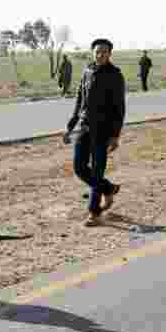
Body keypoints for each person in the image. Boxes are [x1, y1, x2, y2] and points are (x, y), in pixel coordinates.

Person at [63, 38, 126, 227]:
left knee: (97, 171)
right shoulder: (87, 71)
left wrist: (115, 136)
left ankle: (94, 212)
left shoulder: (115, 75)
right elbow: (79, 101)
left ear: (110, 54)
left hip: (103, 131)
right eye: (97, 52)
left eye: (104, 52)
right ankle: (109, 188)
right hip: (84, 127)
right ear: (93, 53)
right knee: (79, 168)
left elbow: (119, 108)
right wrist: (70, 127)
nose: (100, 55)